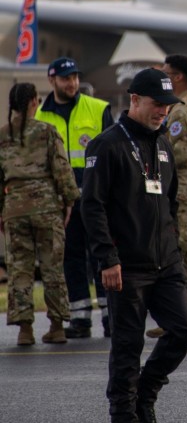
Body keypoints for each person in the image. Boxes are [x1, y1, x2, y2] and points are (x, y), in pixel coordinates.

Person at [81, 68, 187, 423]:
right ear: (134, 100)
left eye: (167, 105)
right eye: (156, 104)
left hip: (166, 262)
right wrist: (107, 258)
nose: (163, 111)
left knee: (182, 329)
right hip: (125, 266)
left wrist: (173, 244)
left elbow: (170, 200)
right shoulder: (107, 145)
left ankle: (144, 397)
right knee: (127, 346)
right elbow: (92, 207)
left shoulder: (162, 144)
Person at [36, 57, 113, 339]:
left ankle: (110, 317)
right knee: (71, 259)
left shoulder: (98, 109)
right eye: (66, 78)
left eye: (75, 77)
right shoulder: (40, 117)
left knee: (103, 256)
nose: (72, 83)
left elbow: (112, 154)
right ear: (52, 80)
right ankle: (80, 319)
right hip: (62, 204)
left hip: (96, 200)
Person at [0, 83, 80, 346]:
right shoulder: (47, 131)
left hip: (15, 208)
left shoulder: (2, 135)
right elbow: (61, 170)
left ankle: (25, 330)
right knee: (52, 267)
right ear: (34, 101)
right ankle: (56, 327)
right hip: (46, 207)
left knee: (19, 269)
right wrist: (70, 200)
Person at [145, 54, 187, 339]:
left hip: (186, 191)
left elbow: (178, 153)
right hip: (183, 191)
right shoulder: (181, 107)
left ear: (178, 77)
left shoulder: (182, 111)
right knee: (181, 253)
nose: (163, 76)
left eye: (166, 73)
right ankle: (184, 316)